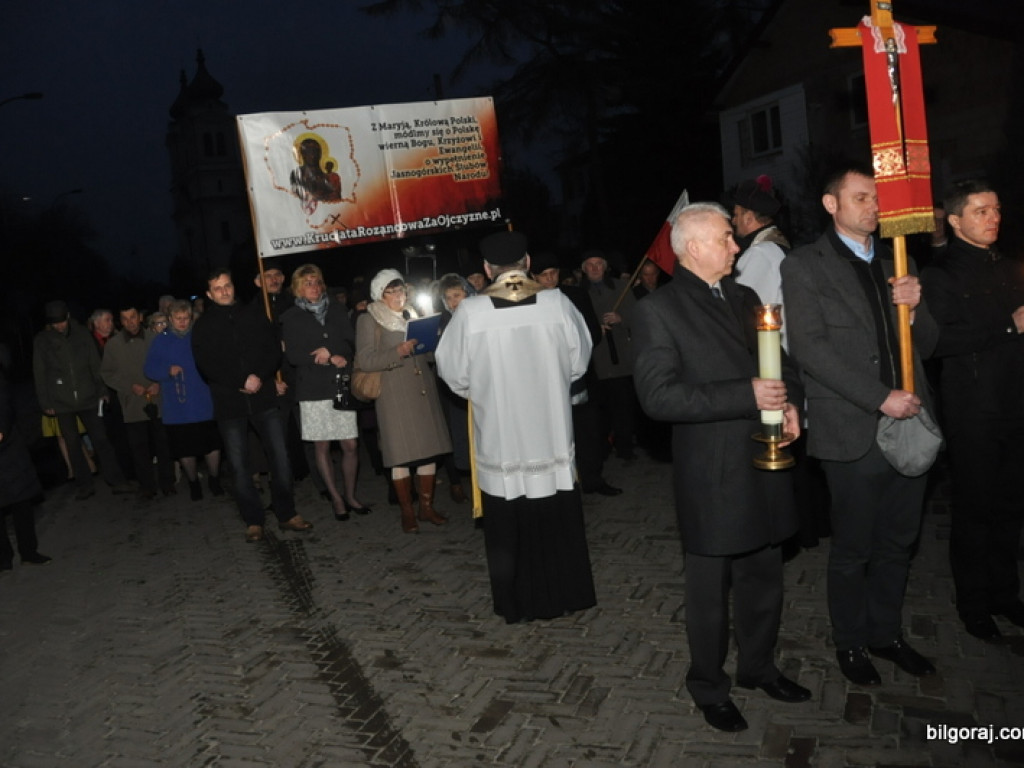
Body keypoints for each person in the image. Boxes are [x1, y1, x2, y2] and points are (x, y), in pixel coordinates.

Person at [632, 203, 809, 733]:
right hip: (712, 471)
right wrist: (746, 394)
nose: (736, 247)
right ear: (692, 248)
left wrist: (792, 401)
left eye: (733, 238)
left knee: (764, 576)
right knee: (710, 593)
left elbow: (782, 361)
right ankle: (709, 685)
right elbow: (658, 398)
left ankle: (758, 666)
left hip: (764, 456)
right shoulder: (659, 309)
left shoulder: (745, 296)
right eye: (726, 239)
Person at [781, 165, 940, 686]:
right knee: (854, 548)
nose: (873, 207)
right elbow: (809, 347)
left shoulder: (900, 260)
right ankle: (850, 643)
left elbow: (930, 346)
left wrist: (916, 311)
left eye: (876, 199)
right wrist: (879, 398)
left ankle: (886, 633)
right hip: (854, 427)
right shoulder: (806, 265)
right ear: (831, 205)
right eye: (860, 198)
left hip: (911, 421)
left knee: (900, 540)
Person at [436, 231, 597, 624]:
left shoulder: (470, 313)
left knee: (509, 521)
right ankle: (566, 594)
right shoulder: (557, 303)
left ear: (487, 269)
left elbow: (452, 373)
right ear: (526, 262)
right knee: (555, 515)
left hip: (502, 437)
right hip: (551, 434)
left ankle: (517, 603)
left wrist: (484, 389)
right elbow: (579, 362)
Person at [920, 180, 1024, 641]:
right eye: (981, 211)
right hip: (974, 411)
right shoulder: (940, 276)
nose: (993, 218)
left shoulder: (1011, 268)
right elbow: (939, 343)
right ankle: (974, 604)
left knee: (1010, 508)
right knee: (975, 511)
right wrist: (1007, 327)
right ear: (956, 220)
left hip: (1016, 406)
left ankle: (1006, 594)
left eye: (996, 209)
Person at [191, 268, 313, 542]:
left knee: (280, 458)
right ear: (210, 294)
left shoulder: (254, 314)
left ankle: (287, 513)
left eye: (227, 285)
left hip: (263, 397)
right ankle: (253, 520)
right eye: (217, 287)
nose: (224, 291)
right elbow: (207, 363)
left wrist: (260, 375)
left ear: (233, 287)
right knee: (238, 464)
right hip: (230, 403)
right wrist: (239, 380)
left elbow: (272, 349)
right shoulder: (204, 326)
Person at [355, 269, 451, 533]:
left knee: (428, 450)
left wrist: (433, 341)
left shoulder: (414, 313)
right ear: (380, 294)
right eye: (392, 291)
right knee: (401, 454)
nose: (399, 295)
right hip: (393, 394)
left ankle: (427, 508)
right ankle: (407, 511)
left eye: (401, 290)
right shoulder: (369, 319)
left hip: (422, 390)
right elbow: (365, 360)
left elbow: (429, 357)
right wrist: (398, 351)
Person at [280, 264, 370, 521]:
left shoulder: (338, 310)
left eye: (317, 281)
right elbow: (293, 355)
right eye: (307, 283)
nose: (314, 287)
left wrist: (338, 353)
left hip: (340, 384)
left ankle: (351, 494)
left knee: (350, 444)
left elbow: (351, 342)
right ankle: (336, 498)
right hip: (313, 388)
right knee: (322, 445)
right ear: (298, 287)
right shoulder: (290, 317)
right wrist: (321, 356)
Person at [530, 251, 620, 495]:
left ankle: (592, 479)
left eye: (554, 273)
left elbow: (591, 331)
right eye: (544, 275)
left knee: (588, 430)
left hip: (580, 375)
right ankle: (560, 484)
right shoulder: (528, 301)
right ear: (533, 276)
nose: (550, 279)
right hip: (545, 378)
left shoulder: (575, 295)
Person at [32, 301, 132, 500]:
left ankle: (117, 481)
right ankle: (84, 485)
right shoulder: (42, 340)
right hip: (61, 401)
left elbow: (94, 363)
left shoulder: (81, 334)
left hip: (88, 397)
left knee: (101, 439)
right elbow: (39, 372)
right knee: (72, 444)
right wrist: (45, 403)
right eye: (55, 323)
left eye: (62, 321)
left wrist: (101, 388)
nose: (60, 326)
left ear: (67, 317)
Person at [143, 300, 224, 501]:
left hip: (203, 400)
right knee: (185, 447)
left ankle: (214, 479)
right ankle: (193, 483)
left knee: (211, 444)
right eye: (178, 318)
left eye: (185, 318)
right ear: (170, 319)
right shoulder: (161, 341)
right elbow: (149, 369)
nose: (182, 322)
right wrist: (167, 371)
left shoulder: (199, 336)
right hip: (178, 405)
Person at [101, 306, 175, 501]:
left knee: (163, 444)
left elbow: (169, 363)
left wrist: (159, 382)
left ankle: (168, 482)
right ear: (120, 321)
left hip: (158, 400)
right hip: (132, 403)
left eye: (133, 317)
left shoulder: (154, 339)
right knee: (139, 447)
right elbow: (107, 373)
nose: (130, 322)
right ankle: (147, 485)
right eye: (125, 319)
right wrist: (128, 386)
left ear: (140, 317)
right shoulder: (114, 345)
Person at [580, 250, 639, 461]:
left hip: (621, 360)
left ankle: (626, 448)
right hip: (595, 362)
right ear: (584, 268)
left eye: (598, 263)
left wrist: (621, 318)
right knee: (599, 412)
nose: (595, 268)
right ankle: (602, 449)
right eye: (590, 264)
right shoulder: (579, 293)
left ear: (605, 267)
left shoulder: (621, 288)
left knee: (624, 407)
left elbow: (638, 319)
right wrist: (594, 329)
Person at [1, 343, 51, 572]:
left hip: (8, 444)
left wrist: (2, 428)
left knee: (20, 500)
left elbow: (5, 403)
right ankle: (3, 558)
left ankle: (28, 551)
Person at [435, 273, 475, 503]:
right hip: (456, 391)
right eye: (448, 298)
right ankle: (459, 481)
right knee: (459, 435)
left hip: (480, 387)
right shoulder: (443, 322)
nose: (453, 302)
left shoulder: (479, 316)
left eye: (457, 296)